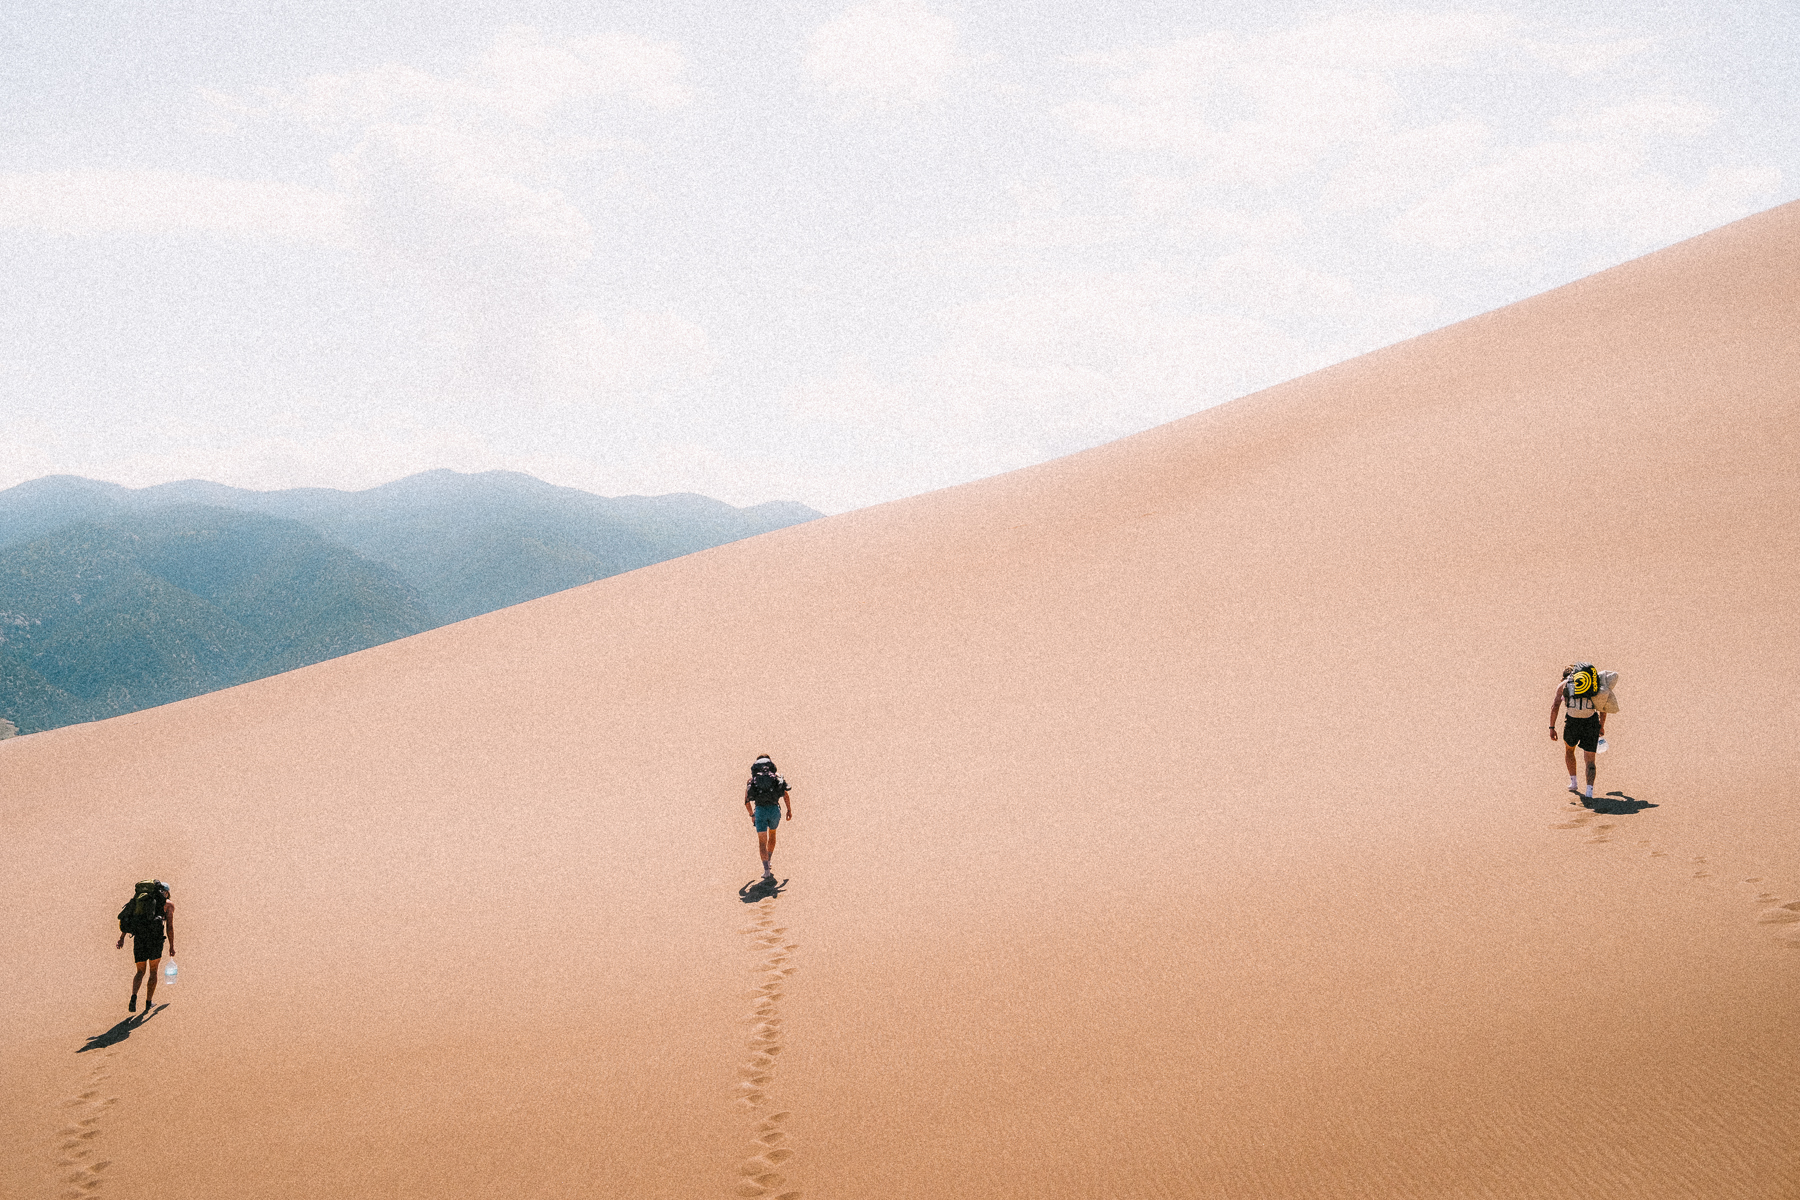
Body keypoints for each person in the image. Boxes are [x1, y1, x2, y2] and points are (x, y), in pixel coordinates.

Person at [115, 880, 176, 1013]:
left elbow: (129, 918)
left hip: (139, 938)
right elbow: (169, 927)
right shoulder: (168, 905)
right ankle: (148, 1002)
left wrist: (121, 938)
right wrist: (171, 946)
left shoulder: (140, 902)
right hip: (156, 939)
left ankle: (134, 996)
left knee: (140, 971)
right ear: (166, 892)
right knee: (153, 971)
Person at [1550, 665, 1608, 802]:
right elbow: (1603, 707)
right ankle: (1589, 791)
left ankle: (1574, 782)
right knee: (1590, 760)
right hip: (1591, 722)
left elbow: (1555, 706)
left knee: (1570, 750)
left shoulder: (1563, 685)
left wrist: (1551, 727)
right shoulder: (1592, 685)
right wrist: (1601, 726)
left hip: (1572, 723)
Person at [744, 755, 794, 881]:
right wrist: (789, 810)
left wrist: (752, 815)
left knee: (762, 842)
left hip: (760, 811)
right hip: (774, 810)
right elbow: (785, 794)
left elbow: (746, 801)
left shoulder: (752, 780)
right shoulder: (776, 778)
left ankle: (766, 870)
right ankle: (769, 860)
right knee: (772, 835)